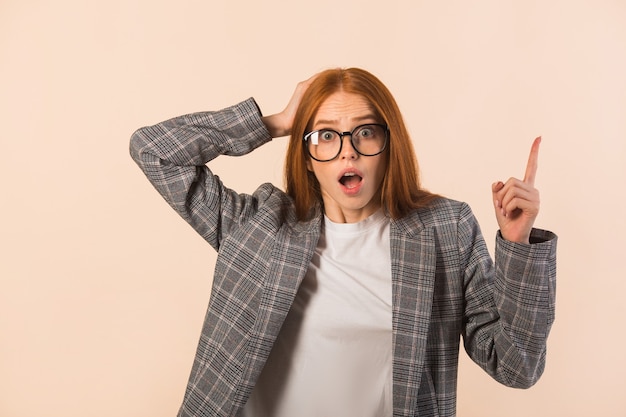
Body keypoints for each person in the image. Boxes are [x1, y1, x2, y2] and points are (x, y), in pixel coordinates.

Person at [130, 67, 557, 417]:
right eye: (326, 135)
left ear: (391, 147)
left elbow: (517, 366)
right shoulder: (259, 224)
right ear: (308, 155)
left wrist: (517, 246)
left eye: (366, 132)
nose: (347, 153)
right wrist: (274, 123)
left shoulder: (444, 229)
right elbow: (153, 151)